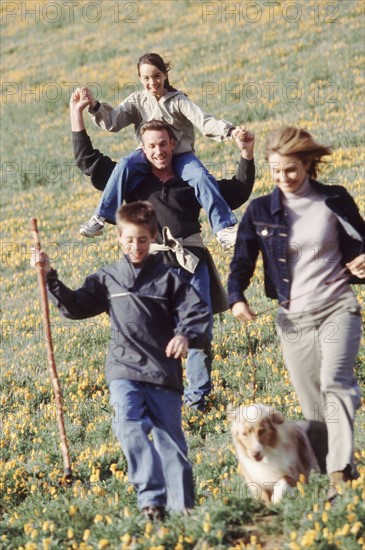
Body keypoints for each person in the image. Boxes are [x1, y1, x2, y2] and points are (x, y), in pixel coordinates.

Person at [70, 89, 255, 411]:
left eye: (164, 144)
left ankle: (197, 401)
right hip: (149, 264)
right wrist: (77, 116)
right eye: (152, 146)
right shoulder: (131, 178)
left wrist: (246, 153)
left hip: (191, 259)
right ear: (142, 149)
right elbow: (88, 163)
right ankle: (160, 397)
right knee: (150, 333)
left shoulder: (192, 178)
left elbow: (236, 193)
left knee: (197, 331)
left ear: (174, 144)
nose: (159, 151)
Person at [32, 201, 211, 518]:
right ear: (118, 238)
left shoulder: (169, 278)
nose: (136, 246)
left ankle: (182, 509)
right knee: (128, 427)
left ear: (153, 237)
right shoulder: (108, 278)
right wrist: (50, 277)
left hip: (163, 373)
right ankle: (152, 501)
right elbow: (75, 306)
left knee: (171, 443)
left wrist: (184, 334)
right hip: (123, 370)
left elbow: (196, 311)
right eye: (129, 239)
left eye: (142, 239)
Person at [228, 126, 365, 499]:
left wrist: (361, 260)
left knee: (336, 385)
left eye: (290, 169)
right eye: (275, 171)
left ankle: (339, 474)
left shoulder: (334, 200)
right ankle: (326, 473)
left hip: (337, 306)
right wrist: (237, 296)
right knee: (313, 405)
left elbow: (360, 242)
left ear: (306, 164)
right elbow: (242, 260)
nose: (283, 178)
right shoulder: (260, 211)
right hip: (293, 319)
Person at [79, 52, 246, 249]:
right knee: (124, 165)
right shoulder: (137, 100)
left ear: (165, 74)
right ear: (140, 79)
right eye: (147, 78)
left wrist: (230, 130)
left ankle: (223, 229)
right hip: (147, 155)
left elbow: (204, 121)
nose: (152, 82)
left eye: (157, 75)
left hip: (181, 156)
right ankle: (100, 217)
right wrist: (94, 106)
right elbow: (113, 121)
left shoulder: (178, 100)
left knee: (201, 177)